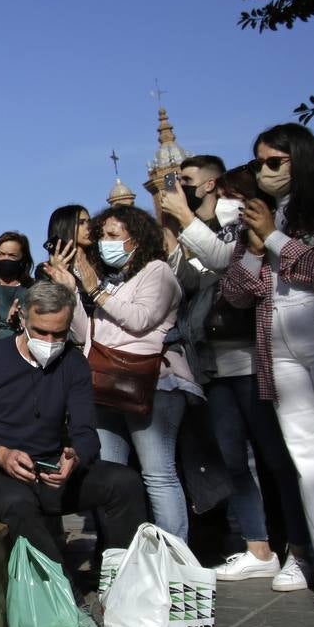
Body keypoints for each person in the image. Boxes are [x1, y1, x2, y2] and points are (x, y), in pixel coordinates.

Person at [221, 123, 314, 607]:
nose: (263, 171)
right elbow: (237, 293)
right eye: (258, 162)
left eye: (274, 162)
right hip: (279, 346)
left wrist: (276, 240)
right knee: (309, 460)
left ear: (299, 160)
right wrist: (257, 248)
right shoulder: (258, 219)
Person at [161, 161, 313, 590]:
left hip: (253, 358)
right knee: (234, 462)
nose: (180, 190)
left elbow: (224, 265)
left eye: (187, 183)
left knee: (277, 459)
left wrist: (187, 223)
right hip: (213, 363)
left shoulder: (236, 228)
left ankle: (301, 550)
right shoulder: (201, 232)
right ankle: (258, 547)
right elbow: (189, 279)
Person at [0, 281, 146, 566]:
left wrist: (75, 457)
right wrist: (1, 454)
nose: (50, 341)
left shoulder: (74, 363)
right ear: (22, 320)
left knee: (124, 482)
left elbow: (86, 433)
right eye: (41, 332)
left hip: (48, 472)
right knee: (18, 503)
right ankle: (63, 596)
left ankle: (120, 580)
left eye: (59, 334)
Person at [44, 205, 195, 541]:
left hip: (152, 382)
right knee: (112, 475)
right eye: (102, 237)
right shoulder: (114, 282)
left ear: (136, 238)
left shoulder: (157, 272)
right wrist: (72, 289)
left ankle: (173, 555)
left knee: (158, 474)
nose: (103, 243)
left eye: (113, 236)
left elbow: (140, 320)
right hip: (105, 383)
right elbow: (86, 334)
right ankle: (122, 553)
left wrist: (95, 288)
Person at [35, 205, 96, 315]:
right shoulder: (45, 270)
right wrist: (56, 278)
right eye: (81, 223)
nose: (89, 227)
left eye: (89, 221)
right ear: (66, 227)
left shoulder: (102, 262)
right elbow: (48, 307)